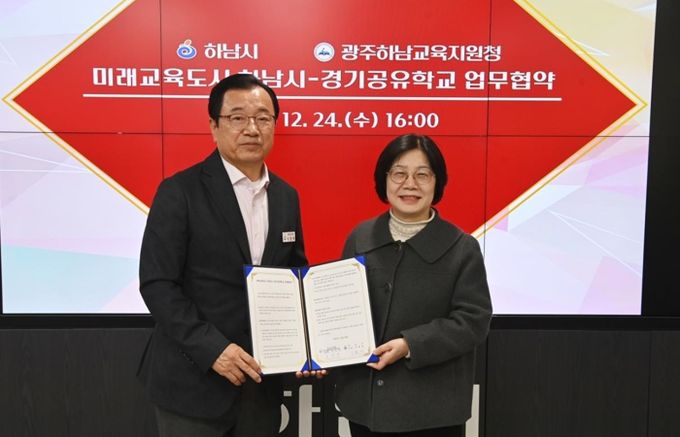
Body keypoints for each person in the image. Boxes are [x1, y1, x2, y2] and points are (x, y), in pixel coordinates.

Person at [137, 73, 308, 437]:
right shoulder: (179, 191)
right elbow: (158, 284)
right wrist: (213, 349)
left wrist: (310, 344)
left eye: (263, 118)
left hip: (259, 384)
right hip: (191, 383)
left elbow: (294, 275)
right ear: (214, 126)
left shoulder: (286, 196)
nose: (252, 129)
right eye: (237, 118)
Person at [335, 134, 493, 437]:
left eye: (422, 174)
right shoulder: (361, 237)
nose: (410, 184)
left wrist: (410, 344)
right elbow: (339, 309)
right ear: (384, 180)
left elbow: (473, 321)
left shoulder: (462, 247)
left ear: (437, 182)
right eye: (399, 173)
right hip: (366, 406)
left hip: (432, 412)